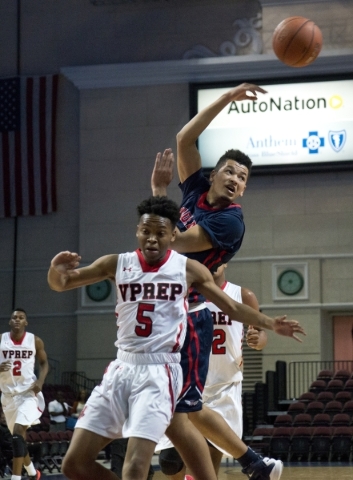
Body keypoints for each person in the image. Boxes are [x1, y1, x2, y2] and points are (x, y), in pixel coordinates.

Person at [47, 196, 304, 480]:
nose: (152, 239)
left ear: (172, 235)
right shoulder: (116, 264)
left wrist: (270, 323)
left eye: (160, 233)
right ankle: (255, 466)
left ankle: (251, 463)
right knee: (74, 464)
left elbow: (230, 307)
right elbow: (64, 283)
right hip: (121, 368)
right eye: (146, 231)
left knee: (136, 467)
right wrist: (55, 272)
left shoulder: (188, 269)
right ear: (137, 231)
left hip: (160, 370)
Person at [150, 82, 292, 480]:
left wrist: (159, 192)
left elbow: (174, 239)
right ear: (214, 175)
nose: (235, 178)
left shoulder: (230, 220)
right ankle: (255, 463)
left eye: (243, 177)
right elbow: (185, 138)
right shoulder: (195, 190)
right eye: (230, 170)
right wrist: (227, 99)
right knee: (173, 434)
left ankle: (253, 462)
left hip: (189, 316)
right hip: (169, 311)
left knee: (179, 423)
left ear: (243, 189)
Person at [158, 264, 268, 479]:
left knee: (210, 457)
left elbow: (261, 335)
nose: (211, 263)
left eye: (216, 258)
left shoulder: (242, 295)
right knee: (170, 464)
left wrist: (258, 340)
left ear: (225, 261)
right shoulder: (183, 293)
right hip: (187, 381)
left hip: (223, 386)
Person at [0, 308, 49, 480]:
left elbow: (44, 363)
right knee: (18, 438)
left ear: (26, 322)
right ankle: (33, 473)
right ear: (10, 321)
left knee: (18, 431)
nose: (17, 320)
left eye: (21, 318)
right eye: (14, 317)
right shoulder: (1, 339)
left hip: (27, 393)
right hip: (7, 396)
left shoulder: (34, 341)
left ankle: (16, 478)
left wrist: (40, 381)